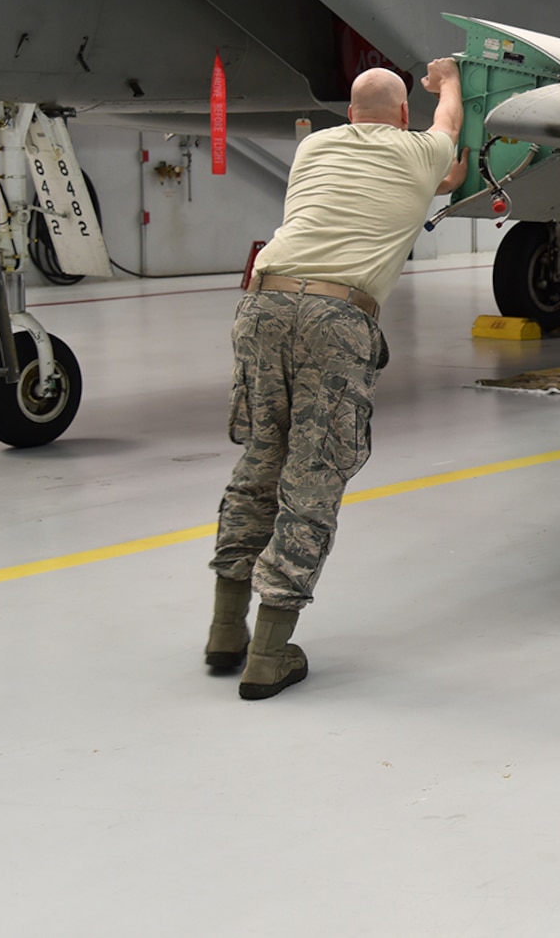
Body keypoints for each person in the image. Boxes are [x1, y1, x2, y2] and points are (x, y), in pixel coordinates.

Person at [203, 61, 468, 699]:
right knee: (312, 475)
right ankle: (269, 653)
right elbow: (450, 142)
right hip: (337, 316)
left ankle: (224, 631)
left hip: (262, 304)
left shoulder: (313, 148)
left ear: (349, 116)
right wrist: (450, 80)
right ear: (404, 117)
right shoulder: (422, 148)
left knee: (259, 463)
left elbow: (414, 179)